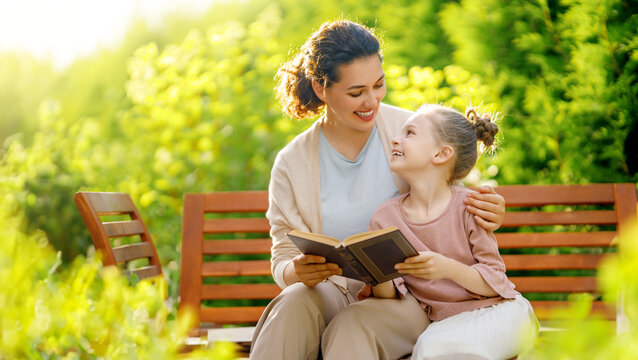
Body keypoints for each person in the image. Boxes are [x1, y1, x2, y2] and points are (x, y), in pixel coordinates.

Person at [250, 20, 507, 360]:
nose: (371, 101)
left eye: (378, 85)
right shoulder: (292, 162)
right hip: (332, 290)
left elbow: (451, 200)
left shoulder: (409, 132)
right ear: (321, 88)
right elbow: (283, 250)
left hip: (408, 297)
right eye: (356, 92)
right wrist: (295, 271)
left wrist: (490, 209)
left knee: (355, 324)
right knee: (292, 304)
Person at [366, 104, 539, 359]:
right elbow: (389, 294)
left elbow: (496, 284)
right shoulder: (385, 217)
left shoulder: (469, 205)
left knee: (438, 350)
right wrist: (375, 272)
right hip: (445, 325)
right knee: (429, 349)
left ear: (441, 153)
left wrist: (446, 268)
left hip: (502, 313)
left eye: (410, 133)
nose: (395, 139)